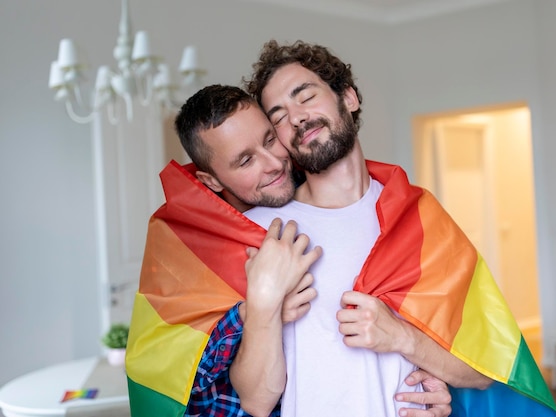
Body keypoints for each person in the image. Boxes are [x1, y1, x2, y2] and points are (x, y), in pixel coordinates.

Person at [235, 40, 556, 417]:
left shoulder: (419, 217)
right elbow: (255, 401)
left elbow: (484, 370)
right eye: (278, 116)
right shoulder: (265, 232)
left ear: (349, 97)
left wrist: (402, 337)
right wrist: (264, 308)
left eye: (305, 96)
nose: (296, 118)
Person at [125, 85, 453, 417]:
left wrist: (430, 387)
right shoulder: (187, 245)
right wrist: (256, 311)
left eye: (269, 139)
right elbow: (188, 385)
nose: (273, 163)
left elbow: (431, 329)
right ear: (211, 181)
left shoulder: (350, 202)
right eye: (246, 160)